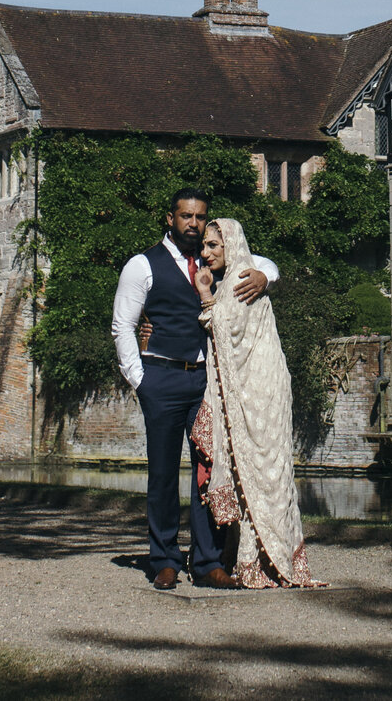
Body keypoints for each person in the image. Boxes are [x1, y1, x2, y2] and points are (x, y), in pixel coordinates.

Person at [110, 189, 276, 590]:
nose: (193, 223)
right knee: (163, 473)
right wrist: (141, 380)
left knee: (209, 472)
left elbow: (265, 262)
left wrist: (263, 277)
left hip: (205, 381)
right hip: (162, 379)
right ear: (170, 218)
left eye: (200, 217)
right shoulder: (142, 265)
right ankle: (164, 558)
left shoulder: (213, 259)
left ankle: (207, 562)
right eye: (186, 216)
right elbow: (122, 326)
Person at [190, 217, 320, 588]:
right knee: (252, 469)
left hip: (259, 391)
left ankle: (269, 559)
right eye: (204, 246)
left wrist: (204, 295)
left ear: (230, 245)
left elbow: (222, 326)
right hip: (253, 388)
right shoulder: (237, 276)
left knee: (263, 468)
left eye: (214, 246)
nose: (206, 252)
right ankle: (254, 558)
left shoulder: (243, 280)